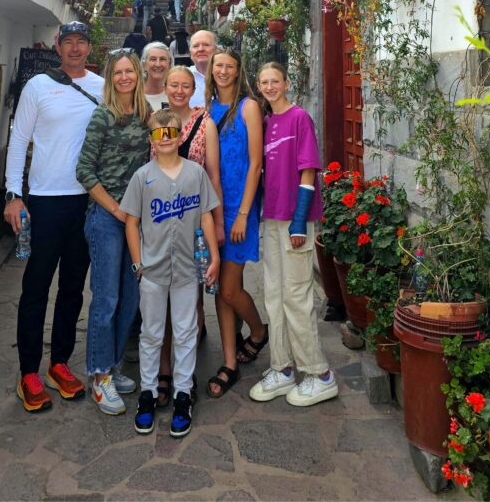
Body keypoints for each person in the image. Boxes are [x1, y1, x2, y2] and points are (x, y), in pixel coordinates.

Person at [4, 21, 104, 413]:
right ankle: (28, 370)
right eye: (69, 43)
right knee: (36, 287)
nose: (76, 49)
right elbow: (18, 138)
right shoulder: (38, 86)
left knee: (74, 287)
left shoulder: (101, 86)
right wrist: (14, 194)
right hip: (45, 200)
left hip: (87, 200)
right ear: (57, 47)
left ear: (89, 48)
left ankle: (59, 363)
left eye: (82, 42)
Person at [123, 108, 220, 438]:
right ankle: (147, 394)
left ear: (180, 136)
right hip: (151, 269)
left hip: (186, 268)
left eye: (171, 133)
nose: (165, 139)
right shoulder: (142, 177)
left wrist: (214, 256)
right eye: (158, 134)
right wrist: (137, 264)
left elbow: (206, 215)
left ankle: (182, 395)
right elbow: (132, 221)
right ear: (151, 139)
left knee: (184, 331)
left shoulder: (195, 173)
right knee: (151, 334)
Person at [249, 62, 339, 407]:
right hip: (270, 218)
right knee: (274, 295)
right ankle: (282, 368)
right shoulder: (267, 122)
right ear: (259, 87)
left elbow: (308, 171)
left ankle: (319, 373)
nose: (270, 87)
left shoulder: (299, 118)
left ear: (286, 83)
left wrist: (301, 221)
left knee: (297, 297)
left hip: (294, 221)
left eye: (276, 81)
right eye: (264, 82)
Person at [76, 49, 152, 415]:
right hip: (107, 219)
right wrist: (116, 210)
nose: (124, 77)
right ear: (110, 77)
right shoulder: (102, 116)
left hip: (135, 222)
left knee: (131, 298)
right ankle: (99, 375)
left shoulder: (146, 114)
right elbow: (84, 171)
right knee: (106, 299)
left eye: (129, 71)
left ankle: (114, 363)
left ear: (137, 74)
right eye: (118, 72)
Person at [205, 47, 267, 399]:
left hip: (240, 209)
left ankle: (258, 332)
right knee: (220, 291)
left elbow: (255, 164)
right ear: (211, 70)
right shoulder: (206, 110)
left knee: (230, 288)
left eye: (229, 66)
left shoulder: (248, 107)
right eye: (218, 66)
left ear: (238, 69)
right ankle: (229, 359)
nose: (223, 71)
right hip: (214, 208)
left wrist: (243, 212)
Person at [188, 29, 217, 107]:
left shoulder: (226, 76)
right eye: (196, 46)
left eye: (206, 45)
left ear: (216, 50)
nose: (200, 49)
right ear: (190, 52)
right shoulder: (183, 76)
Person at [141, 41, 171, 110]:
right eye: (153, 59)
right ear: (144, 64)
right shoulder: (135, 95)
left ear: (169, 64)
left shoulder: (175, 94)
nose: (158, 64)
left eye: (162, 59)